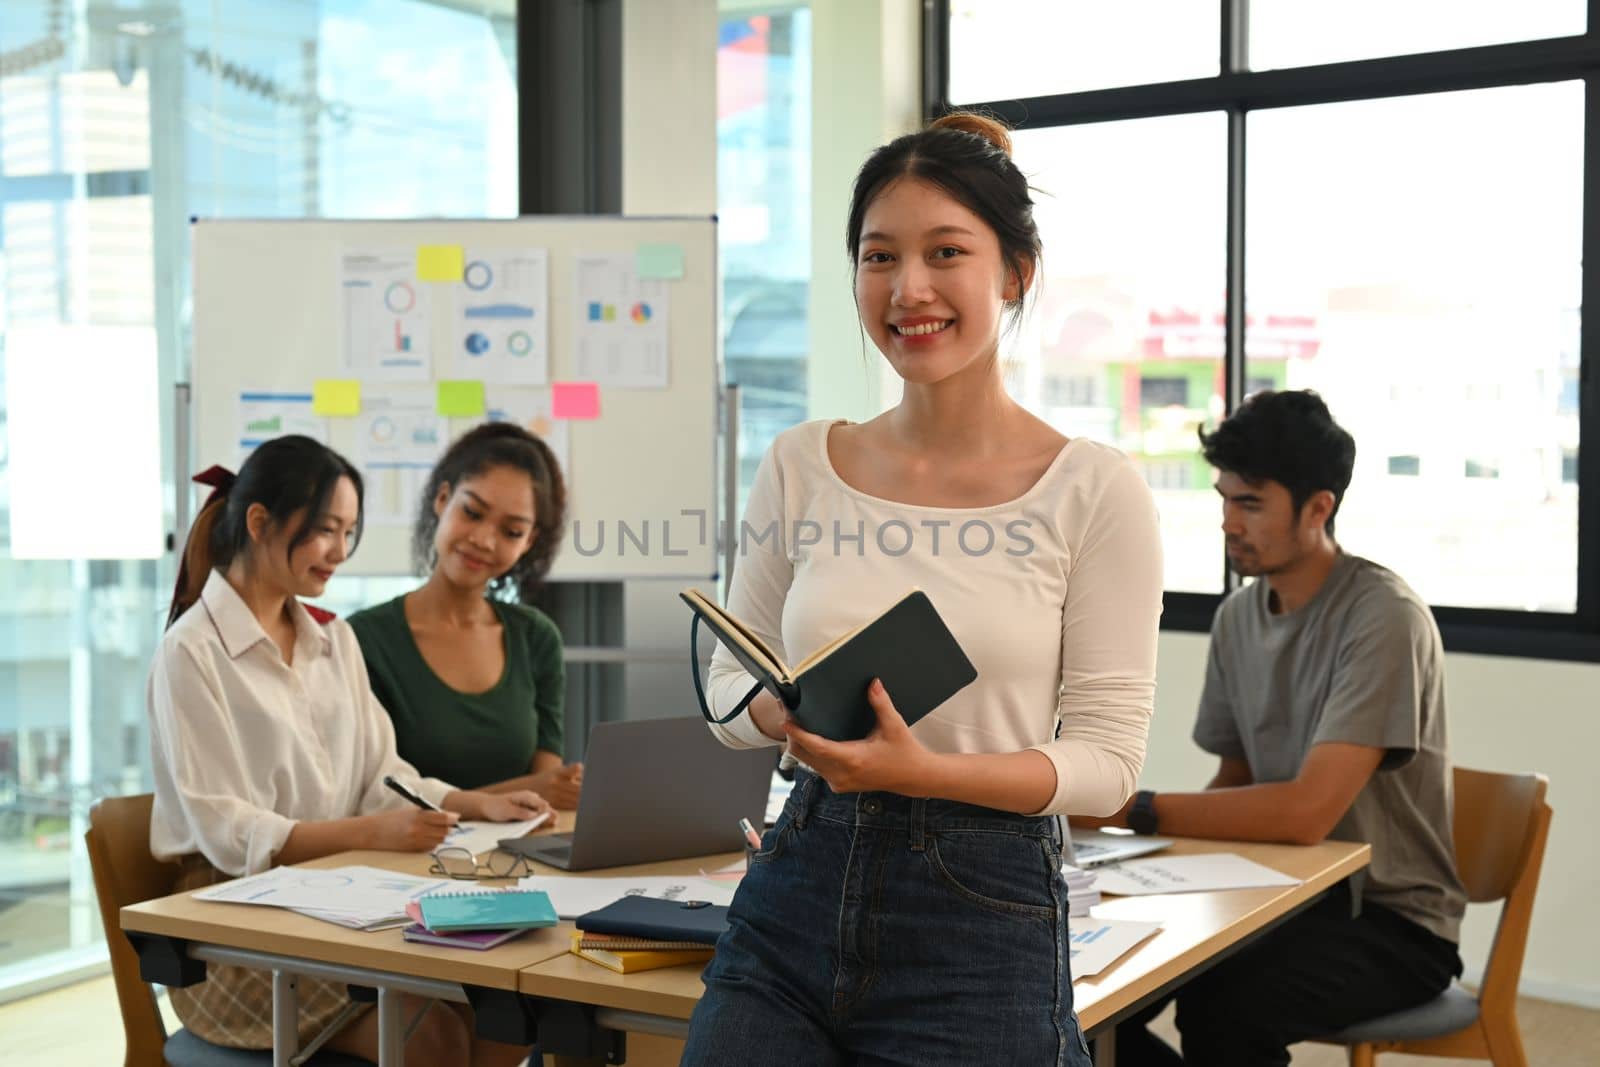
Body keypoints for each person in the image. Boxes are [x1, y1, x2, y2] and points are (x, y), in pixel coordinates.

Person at [680, 113, 1164, 1066]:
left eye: (947, 252)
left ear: (1015, 271)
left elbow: (1108, 765)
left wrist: (918, 771)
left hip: (980, 906)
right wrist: (791, 719)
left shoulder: (1094, 488)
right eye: (878, 256)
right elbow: (730, 693)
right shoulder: (801, 461)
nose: (908, 290)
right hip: (797, 876)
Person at [1078, 390, 1467, 1066]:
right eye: (1224, 498)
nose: (1228, 522)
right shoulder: (1238, 617)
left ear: (1319, 507)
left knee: (1225, 1009)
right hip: (1280, 891)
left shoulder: (1383, 618)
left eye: (1250, 503)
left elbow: (1305, 813)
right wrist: (1134, 858)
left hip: (1391, 919)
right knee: (1093, 994)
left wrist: (1130, 808)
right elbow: (1236, 782)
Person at [148, 435, 551, 1065]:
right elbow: (227, 831)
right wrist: (371, 832)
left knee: (506, 1015)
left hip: (335, 899)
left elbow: (382, 774)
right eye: (325, 530)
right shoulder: (191, 652)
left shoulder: (332, 641)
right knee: (433, 1036)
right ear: (260, 522)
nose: (339, 551)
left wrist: (474, 804)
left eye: (350, 531)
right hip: (231, 937)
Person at [348, 422, 582, 808]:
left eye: (511, 532)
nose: (484, 540)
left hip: (518, 855)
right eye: (472, 512)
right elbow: (375, 796)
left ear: (529, 542)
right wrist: (499, 800)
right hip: (397, 862)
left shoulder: (536, 637)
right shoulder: (363, 639)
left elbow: (546, 786)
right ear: (443, 499)